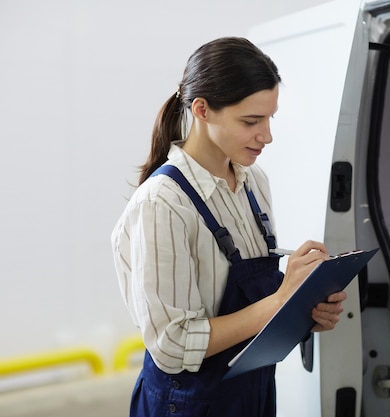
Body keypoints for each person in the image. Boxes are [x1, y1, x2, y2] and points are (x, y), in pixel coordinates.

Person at [110, 37, 347, 417]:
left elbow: (257, 312)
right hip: (187, 404)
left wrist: (305, 311)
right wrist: (281, 300)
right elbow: (172, 345)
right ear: (202, 110)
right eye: (251, 121)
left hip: (251, 393)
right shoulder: (163, 203)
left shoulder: (254, 182)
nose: (266, 135)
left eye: (270, 118)